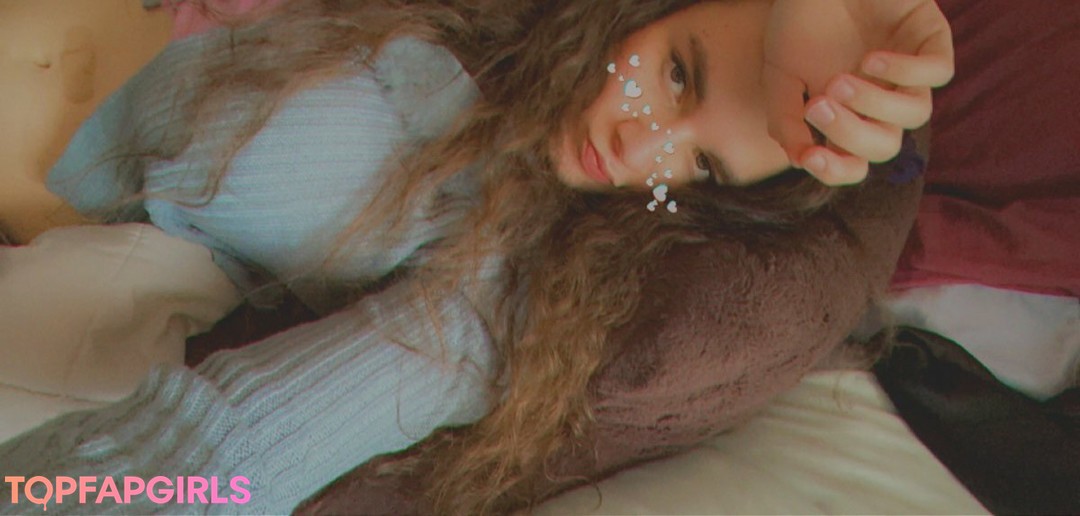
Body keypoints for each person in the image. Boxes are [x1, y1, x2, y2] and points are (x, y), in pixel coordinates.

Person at [0, 0, 952, 514]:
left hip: (48, 160)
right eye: (676, 73)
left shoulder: (497, 283)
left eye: (699, 165)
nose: (643, 148)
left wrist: (40, 495)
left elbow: (225, 450)